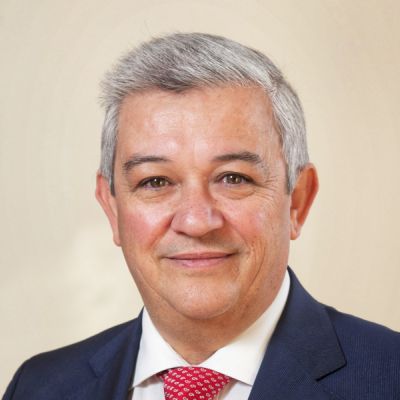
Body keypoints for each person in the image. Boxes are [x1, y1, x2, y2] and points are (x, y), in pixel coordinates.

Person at [3, 33, 399, 400]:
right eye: (156, 181)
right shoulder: (38, 388)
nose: (196, 222)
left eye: (233, 178)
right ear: (112, 207)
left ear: (297, 201)